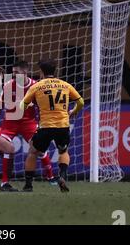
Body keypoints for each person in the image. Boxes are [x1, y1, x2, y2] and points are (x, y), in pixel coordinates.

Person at [0, 60, 57, 190]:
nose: (13, 74)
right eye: (13, 72)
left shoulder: (35, 86)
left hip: (28, 123)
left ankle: (51, 176)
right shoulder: (8, 86)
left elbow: (43, 105)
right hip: (10, 123)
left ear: (25, 72)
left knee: (39, 148)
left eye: (16, 72)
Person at [21, 60, 84, 192]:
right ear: (54, 71)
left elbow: (23, 105)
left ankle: (28, 185)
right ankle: (62, 176)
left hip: (46, 126)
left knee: (32, 152)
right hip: (63, 126)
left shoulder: (37, 86)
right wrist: (73, 112)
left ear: (41, 72)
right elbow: (81, 102)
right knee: (63, 151)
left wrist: (29, 106)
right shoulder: (65, 85)